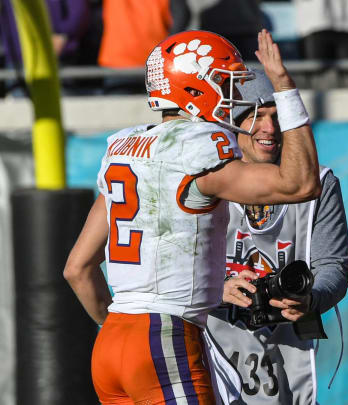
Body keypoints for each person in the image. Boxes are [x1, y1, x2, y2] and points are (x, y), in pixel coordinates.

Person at [63, 29, 322, 404]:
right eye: (223, 82)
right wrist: (285, 89)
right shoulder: (197, 149)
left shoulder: (125, 150)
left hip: (110, 343)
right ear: (195, 87)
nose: (232, 96)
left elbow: (77, 268)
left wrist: (119, 332)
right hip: (163, 334)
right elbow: (300, 184)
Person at [202, 69, 348, 405]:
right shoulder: (201, 179)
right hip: (211, 351)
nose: (269, 128)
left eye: (277, 116)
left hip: (288, 359)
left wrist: (310, 299)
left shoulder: (320, 182)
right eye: (256, 116)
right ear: (231, 123)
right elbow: (167, 267)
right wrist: (217, 288)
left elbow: (333, 267)